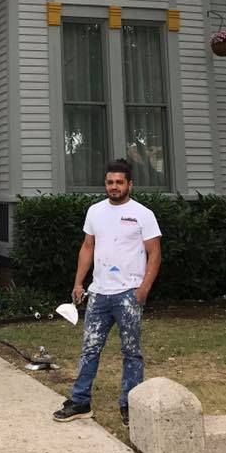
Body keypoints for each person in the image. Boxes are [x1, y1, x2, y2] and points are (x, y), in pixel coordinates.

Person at [53, 158, 162, 426]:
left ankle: (130, 405)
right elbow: (87, 247)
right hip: (99, 294)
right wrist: (79, 282)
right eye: (110, 182)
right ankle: (80, 402)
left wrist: (143, 289)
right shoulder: (95, 212)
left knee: (131, 351)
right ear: (106, 184)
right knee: (90, 348)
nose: (114, 187)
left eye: (119, 182)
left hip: (128, 293)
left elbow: (155, 254)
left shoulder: (143, 214)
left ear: (130, 185)